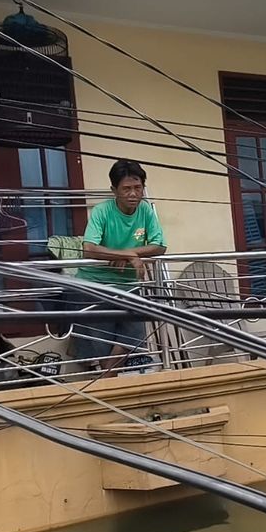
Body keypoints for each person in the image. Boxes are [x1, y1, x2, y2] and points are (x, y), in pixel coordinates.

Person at [71, 159, 167, 374]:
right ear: (114, 190)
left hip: (129, 286)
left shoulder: (145, 211)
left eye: (137, 188)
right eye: (126, 189)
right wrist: (126, 255)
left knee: (133, 338)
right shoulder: (102, 211)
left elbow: (159, 246)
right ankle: (109, 385)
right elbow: (88, 249)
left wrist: (127, 254)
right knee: (100, 345)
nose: (133, 194)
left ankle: (108, 381)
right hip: (95, 286)